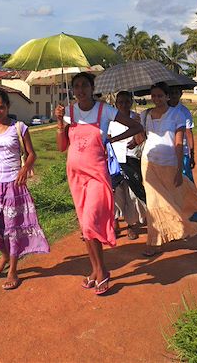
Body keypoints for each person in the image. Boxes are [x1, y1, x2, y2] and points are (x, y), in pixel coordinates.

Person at [55, 72, 143, 295]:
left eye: (85, 85)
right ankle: (96, 270)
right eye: (76, 86)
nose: (80, 90)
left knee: (91, 222)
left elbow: (136, 127)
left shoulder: (105, 110)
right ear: (72, 89)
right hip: (75, 177)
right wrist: (59, 122)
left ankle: (102, 271)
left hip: (97, 176)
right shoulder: (69, 113)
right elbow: (61, 147)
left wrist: (111, 140)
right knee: (85, 228)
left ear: (92, 87)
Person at [0, 88, 49, 290]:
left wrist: (24, 169)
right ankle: (4, 255)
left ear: (8, 107)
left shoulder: (19, 127)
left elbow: (31, 154)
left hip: (13, 183)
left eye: (1, 107)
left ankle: (13, 269)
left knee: (12, 229)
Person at [139, 82, 197, 257]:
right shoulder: (145, 114)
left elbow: (178, 143)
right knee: (154, 202)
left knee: (174, 197)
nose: (156, 99)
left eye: (160, 96)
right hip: (148, 163)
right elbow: (141, 137)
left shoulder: (177, 114)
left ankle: (177, 225)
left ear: (167, 96)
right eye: (154, 96)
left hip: (169, 163)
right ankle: (154, 242)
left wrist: (179, 169)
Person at [108, 91, 147, 241]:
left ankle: (131, 226)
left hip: (131, 160)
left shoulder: (136, 118)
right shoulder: (111, 120)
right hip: (115, 162)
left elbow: (141, 138)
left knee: (132, 195)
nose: (123, 105)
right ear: (116, 104)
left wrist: (136, 139)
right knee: (115, 193)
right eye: (120, 102)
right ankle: (115, 222)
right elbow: (108, 139)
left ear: (131, 102)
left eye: (126, 101)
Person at [168, 86, 197, 222]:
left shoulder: (184, 111)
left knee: (185, 182)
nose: (173, 95)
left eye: (176, 92)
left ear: (180, 94)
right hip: (168, 152)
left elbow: (188, 133)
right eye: (171, 92)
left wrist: (191, 153)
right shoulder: (165, 110)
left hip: (182, 152)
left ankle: (192, 212)